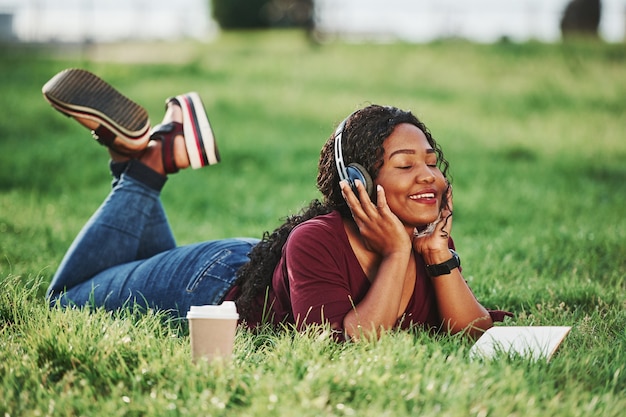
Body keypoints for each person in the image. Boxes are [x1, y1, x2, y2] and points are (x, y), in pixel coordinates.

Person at [44, 68, 509, 342]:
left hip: (261, 268)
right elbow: (348, 344)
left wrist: (437, 256)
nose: (429, 175)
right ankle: (152, 163)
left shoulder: (421, 244)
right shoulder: (318, 240)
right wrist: (397, 255)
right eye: (405, 165)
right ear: (359, 182)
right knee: (61, 303)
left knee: (129, 264)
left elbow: (471, 332)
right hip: (210, 284)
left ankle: (134, 158)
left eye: (431, 161)